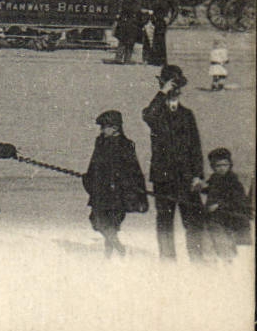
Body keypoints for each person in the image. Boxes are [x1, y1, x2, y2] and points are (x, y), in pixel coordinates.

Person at [142, 64, 205, 260]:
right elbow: (149, 115)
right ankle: (167, 261)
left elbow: (195, 147)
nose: (174, 91)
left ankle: (197, 260)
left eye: (177, 88)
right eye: (171, 87)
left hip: (186, 177)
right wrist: (161, 93)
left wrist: (197, 176)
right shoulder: (155, 113)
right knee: (165, 222)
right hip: (164, 177)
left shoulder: (187, 115)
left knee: (193, 221)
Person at [83, 109, 150, 258]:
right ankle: (119, 249)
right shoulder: (100, 142)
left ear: (115, 128)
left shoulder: (126, 145)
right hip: (101, 192)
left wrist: (137, 193)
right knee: (97, 221)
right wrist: (88, 179)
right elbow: (93, 164)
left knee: (111, 225)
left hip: (118, 194)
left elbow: (134, 170)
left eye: (104, 127)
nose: (101, 130)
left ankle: (111, 255)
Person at [200, 149, 249, 261]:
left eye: (225, 165)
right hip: (213, 217)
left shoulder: (233, 181)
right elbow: (210, 189)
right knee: (210, 241)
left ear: (229, 165)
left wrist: (219, 205)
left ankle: (227, 263)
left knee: (224, 243)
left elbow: (238, 200)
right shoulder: (214, 179)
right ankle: (212, 264)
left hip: (227, 218)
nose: (222, 168)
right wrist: (202, 189)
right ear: (213, 167)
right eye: (218, 166)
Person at [112, 0, 145, 65]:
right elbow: (130, 9)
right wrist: (140, 10)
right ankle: (119, 58)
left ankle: (127, 59)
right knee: (123, 41)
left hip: (134, 24)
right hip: (126, 22)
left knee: (131, 42)